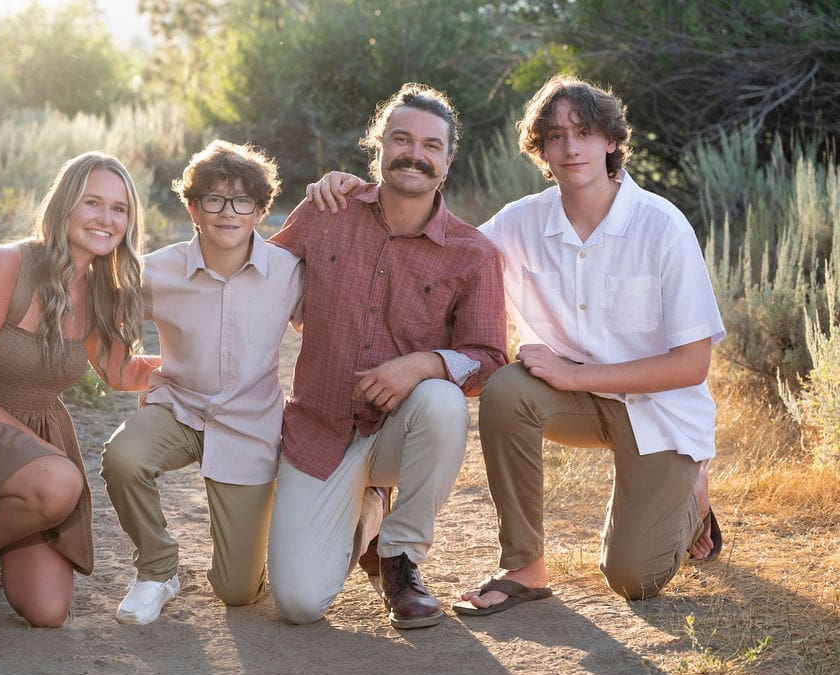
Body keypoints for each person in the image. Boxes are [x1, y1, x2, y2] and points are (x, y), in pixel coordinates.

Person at [308, 74, 725, 614]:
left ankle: (690, 488)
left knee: (633, 580)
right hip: (571, 403)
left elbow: (692, 366)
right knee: (506, 388)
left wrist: (575, 375)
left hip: (660, 413)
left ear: (612, 141)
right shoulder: (521, 221)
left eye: (584, 132)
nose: (570, 147)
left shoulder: (661, 226)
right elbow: (437, 255)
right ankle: (524, 567)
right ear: (541, 150)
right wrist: (357, 192)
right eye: (554, 136)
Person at [267, 83, 507, 630]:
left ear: (447, 160)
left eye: (430, 145)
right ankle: (369, 512)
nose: (414, 154)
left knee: (443, 399)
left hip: (400, 432)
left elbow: (489, 358)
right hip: (319, 430)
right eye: (400, 139)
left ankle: (399, 561)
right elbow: (263, 280)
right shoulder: (327, 209)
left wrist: (423, 364)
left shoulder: (473, 254)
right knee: (300, 605)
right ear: (377, 146)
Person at [0, 151, 155, 635]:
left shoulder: (104, 290)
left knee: (46, 610)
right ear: (65, 206)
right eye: (92, 202)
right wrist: (37, 453)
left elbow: (122, 373)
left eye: (119, 209)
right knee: (58, 481)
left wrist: (192, 373)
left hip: (31, 433)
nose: (106, 218)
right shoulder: (5, 265)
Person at [99, 140, 304, 625]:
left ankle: (268, 540)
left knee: (237, 592)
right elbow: (104, 319)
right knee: (123, 458)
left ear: (260, 210)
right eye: (213, 199)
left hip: (250, 427)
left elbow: (328, 337)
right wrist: (128, 372)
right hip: (179, 409)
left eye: (242, 201)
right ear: (193, 207)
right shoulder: (156, 270)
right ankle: (157, 570)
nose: (227, 212)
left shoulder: (290, 273)